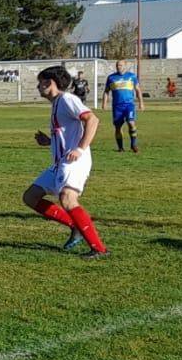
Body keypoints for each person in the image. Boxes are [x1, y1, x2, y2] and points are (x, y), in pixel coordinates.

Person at [21, 66, 109, 259]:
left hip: (74, 160)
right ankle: (74, 227)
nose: (38, 86)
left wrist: (80, 148)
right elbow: (67, 133)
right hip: (60, 162)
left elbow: (92, 120)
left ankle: (99, 249)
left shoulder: (67, 99)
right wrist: (49, 141)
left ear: (49, 82)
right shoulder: (57, 103)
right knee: (30, 197)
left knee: (68, 199)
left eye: (40, 82)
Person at [101, 61, 145, 153]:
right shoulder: (111, 77)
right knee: (118, 127)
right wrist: (104, 103)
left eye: (120, 65)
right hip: (117, 106)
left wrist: (141, 103)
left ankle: (133, 145)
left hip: (129, 105)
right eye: (117, 65)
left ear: (125, 66)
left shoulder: (132, 76)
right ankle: (120, 148)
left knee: (131, 123)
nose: (118, 67)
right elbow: (106, 91)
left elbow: (138, 90)